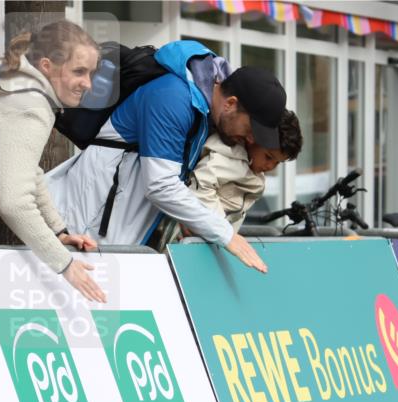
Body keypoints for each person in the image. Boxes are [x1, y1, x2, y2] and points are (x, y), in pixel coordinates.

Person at [45, 41, 286, 273]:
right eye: (252, 129)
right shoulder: (173, 97)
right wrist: (225, 234)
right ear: (231, 104)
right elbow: (160, 185)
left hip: (112, 232)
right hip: (84, 226)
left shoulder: (204, 106)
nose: (252, 139)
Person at [0, 20, 105, 302]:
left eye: (91, 73)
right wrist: (65, 265)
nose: (88, 84)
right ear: (46, 66)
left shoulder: (17, 87)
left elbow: (26, 172)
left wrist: (59, 232)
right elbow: (15, 202)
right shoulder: (30, 107)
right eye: (79, 72)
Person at [190, 110, 303, 231]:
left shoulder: (253, 173)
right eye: (268, 157)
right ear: (252, 137)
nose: (270, 166)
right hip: (190, 237)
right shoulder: (229, 158)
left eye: (277, 162)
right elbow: (200, 185)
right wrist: (223, 230)